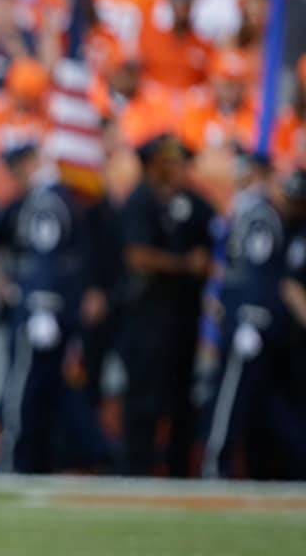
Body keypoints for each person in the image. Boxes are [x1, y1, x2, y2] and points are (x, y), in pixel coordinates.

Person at [0, 142, 90, 473]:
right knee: (44, 388)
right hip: (56, 308)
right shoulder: (54, 198)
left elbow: (44, 256)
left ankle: (15, 459)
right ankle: (37, 461)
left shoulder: (44, 202)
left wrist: (41, 306)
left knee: (25, 388)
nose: (14, 175)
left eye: (18, 166)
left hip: (40, 309)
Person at [203, 166, 306, 478]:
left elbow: (270, 278)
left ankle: (223, 467)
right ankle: (217, 467)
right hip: (254, 323)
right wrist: (246, 315)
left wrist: (253, 317)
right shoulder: (263, 217)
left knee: (253, 403)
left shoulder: (277, 222)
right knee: (244, 401)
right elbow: (245, 273)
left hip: (265, 327)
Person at [116, 134, 210, 475]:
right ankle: (135, 468)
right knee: (144, 394)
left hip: (183, 314)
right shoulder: (140, 201)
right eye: (168, 161)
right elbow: (137, 257)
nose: (177, 168)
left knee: (181, 395)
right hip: (146, 313)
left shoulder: (192, 202)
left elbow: (217, 242)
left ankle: (180, 468)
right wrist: (185, 264)